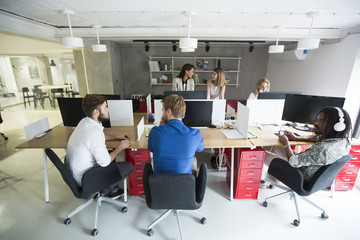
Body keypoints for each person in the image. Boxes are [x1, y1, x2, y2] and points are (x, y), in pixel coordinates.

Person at [66, 94, 133, 197]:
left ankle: (112, 189)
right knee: (128, 166)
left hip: (78, 174)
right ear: (96, 112)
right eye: (105, 107)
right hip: (87, 180)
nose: (108, 110)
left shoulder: (85, 122)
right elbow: (105, 162)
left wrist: (116, 136)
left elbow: (98, 138)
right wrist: (120, 147)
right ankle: (104, 192)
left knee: (111, 155)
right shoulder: (94, 133)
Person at [270, 107, 352, 183]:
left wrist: (286, 144)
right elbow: (317, 137)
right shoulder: (343, 142)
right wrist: (297, 138)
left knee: (265, 156)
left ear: (336, 126)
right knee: (277, 148)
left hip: (300, 176)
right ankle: (277, 175)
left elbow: (293, 162)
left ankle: (278, 176)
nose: (316, 123)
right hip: (317, 177)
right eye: (317, 119)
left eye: (321, 121)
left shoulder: (323, 149)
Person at [148, 94, 205, 174]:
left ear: (169, 112)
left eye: (163, 111)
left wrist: (160, 127)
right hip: (184, 185)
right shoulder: (195, 134)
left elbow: (151, 148)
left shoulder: (155, 132)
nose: (162, 114)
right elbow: (200, 148)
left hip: (159, 184)